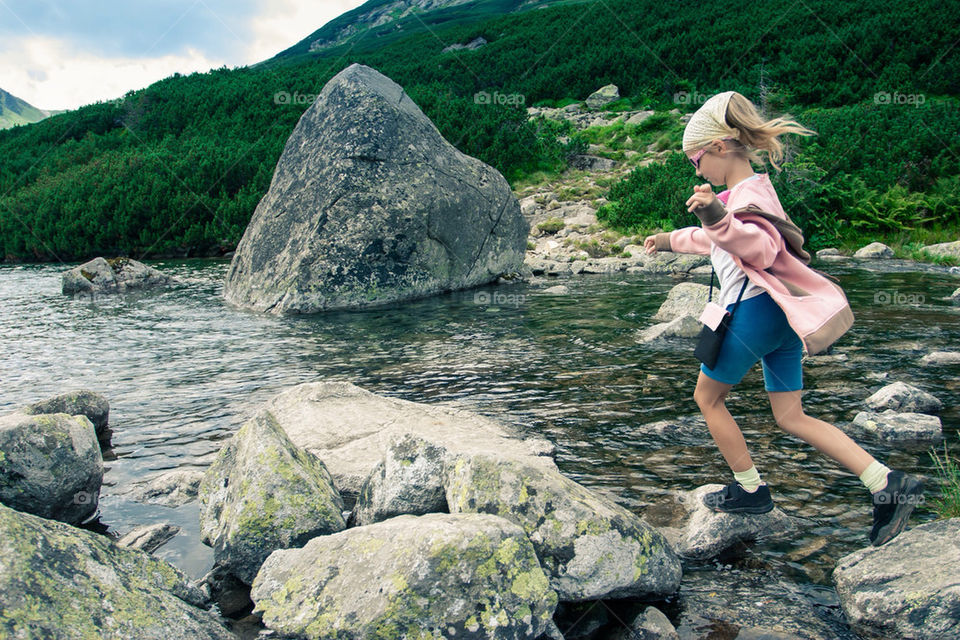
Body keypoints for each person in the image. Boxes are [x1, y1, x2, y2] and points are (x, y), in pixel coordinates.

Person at [642, 90, 923, 546]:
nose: (695, 170)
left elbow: (758, 246)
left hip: (755, 312)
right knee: (791, 415)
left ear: (718, 147)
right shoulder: (748, 194)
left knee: (708, 399)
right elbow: (715, 240)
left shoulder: (746, 200)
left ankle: (751, 489)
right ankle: (886, 484)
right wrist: (669, 238)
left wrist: (715, 214)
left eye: (695, 159)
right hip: (782, 316)